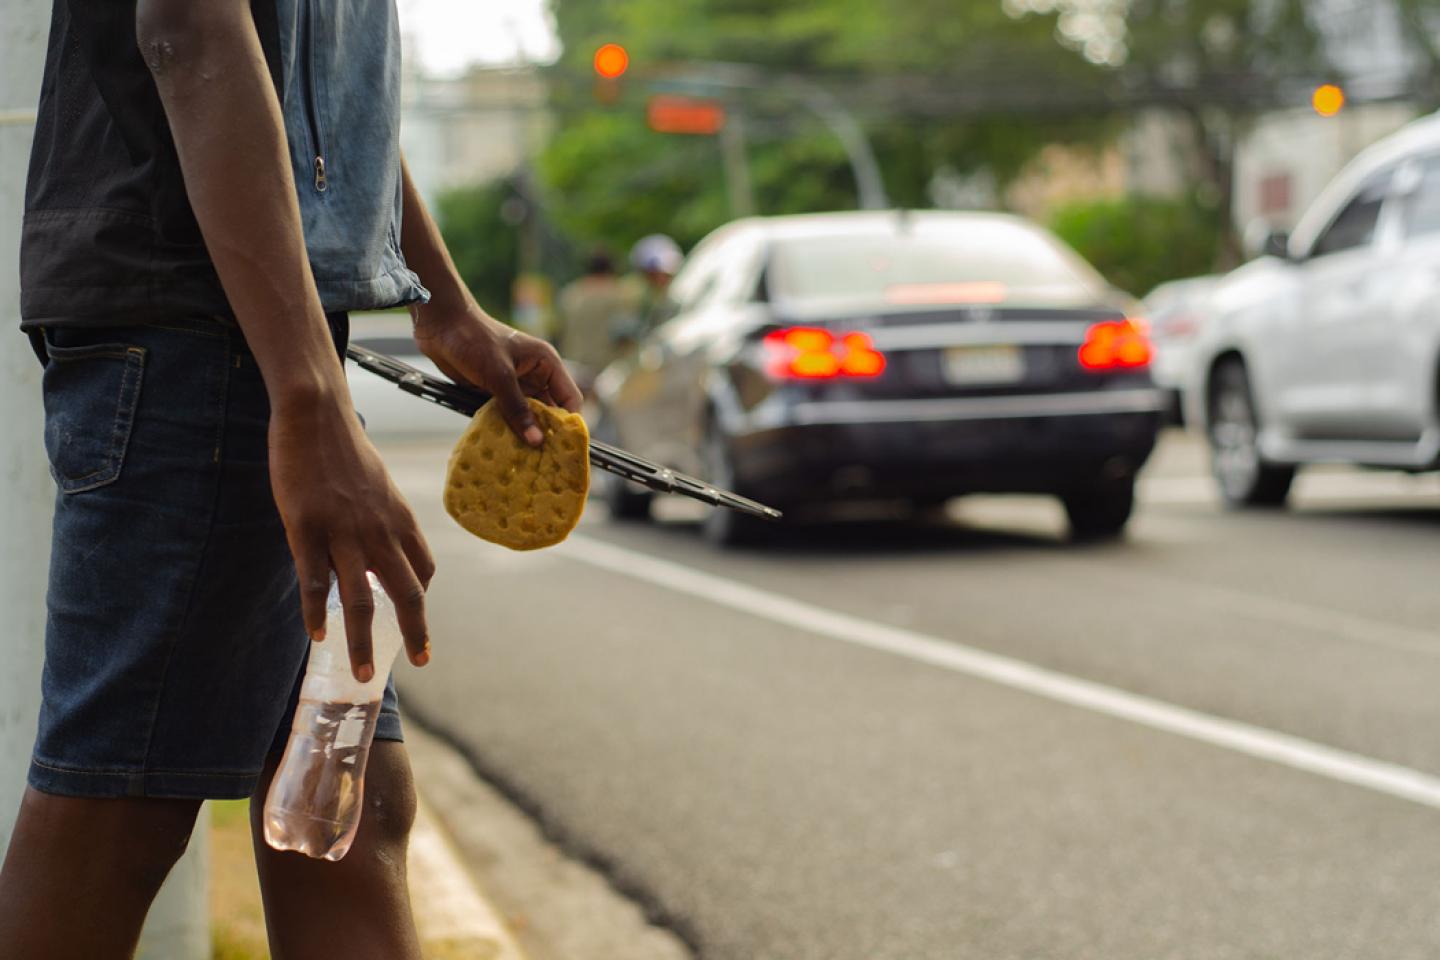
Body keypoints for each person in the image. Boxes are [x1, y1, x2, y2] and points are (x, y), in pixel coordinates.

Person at [0, 2, 580, 959]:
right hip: (200, 328)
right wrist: (308, 403)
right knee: (116, 816)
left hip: (261, 329)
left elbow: (314, 92)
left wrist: (438, 298)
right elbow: (189, 29)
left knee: (341, 804)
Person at [552, 249, 641, 394]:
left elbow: (557, 332)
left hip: (573, 371)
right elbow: (626, 336)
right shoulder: (620, 295)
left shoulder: (569, 295)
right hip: (608, 374)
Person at [624, 234, 686, 335]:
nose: (662, 279)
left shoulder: (681, 294)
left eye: (667, 274)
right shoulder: (633, 297)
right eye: (655, 274)